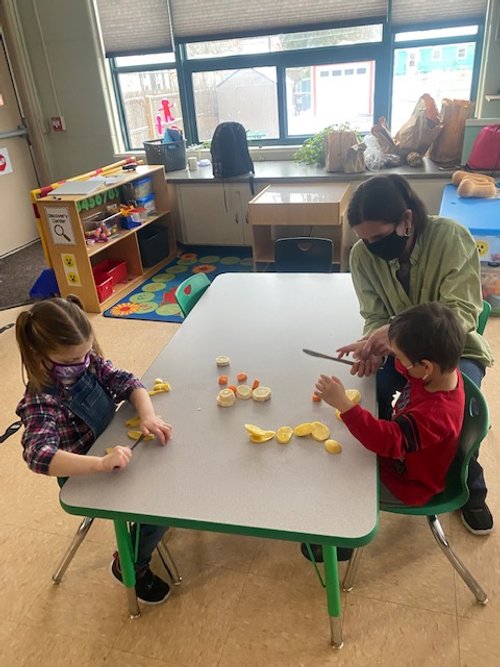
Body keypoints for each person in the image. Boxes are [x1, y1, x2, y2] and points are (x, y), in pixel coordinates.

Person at [337, 174, 493, 536]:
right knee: (371, 390)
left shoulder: (450, 237)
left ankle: (470, 485)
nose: (370, 246)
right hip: (400, 350)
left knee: (456, 412)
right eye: (363, 239)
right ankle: (382, 465)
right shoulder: (361, 255)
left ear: (407, 219)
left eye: (378, 237)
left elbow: (462, 314)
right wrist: (374, 348)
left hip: (453, 349)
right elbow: (373, 315)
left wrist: (391, 333)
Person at [15, 296, 173, 605]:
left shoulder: (87, 365)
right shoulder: (41, 399)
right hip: (83, 474)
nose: (82, 365)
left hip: (113, 452)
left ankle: (146, 534)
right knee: (161, 506)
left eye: (86, 355)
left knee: (169, 475)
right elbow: (38, 455)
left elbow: (128, 382)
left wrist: (148, 414)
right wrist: (99, 464)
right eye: (71, 361)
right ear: (38, 356)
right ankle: (132, 566)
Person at [302, 302, 466, 563]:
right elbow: (407, 369)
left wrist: (344, 404)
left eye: (399, 357)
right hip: (405, 459)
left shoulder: (436, 415)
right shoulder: (438, 371)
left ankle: (343, 540)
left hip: (410, 482)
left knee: (334, 479)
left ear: (425, 366)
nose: (397, 362)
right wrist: (371, 350)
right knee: (339, 457)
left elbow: (388, 442)